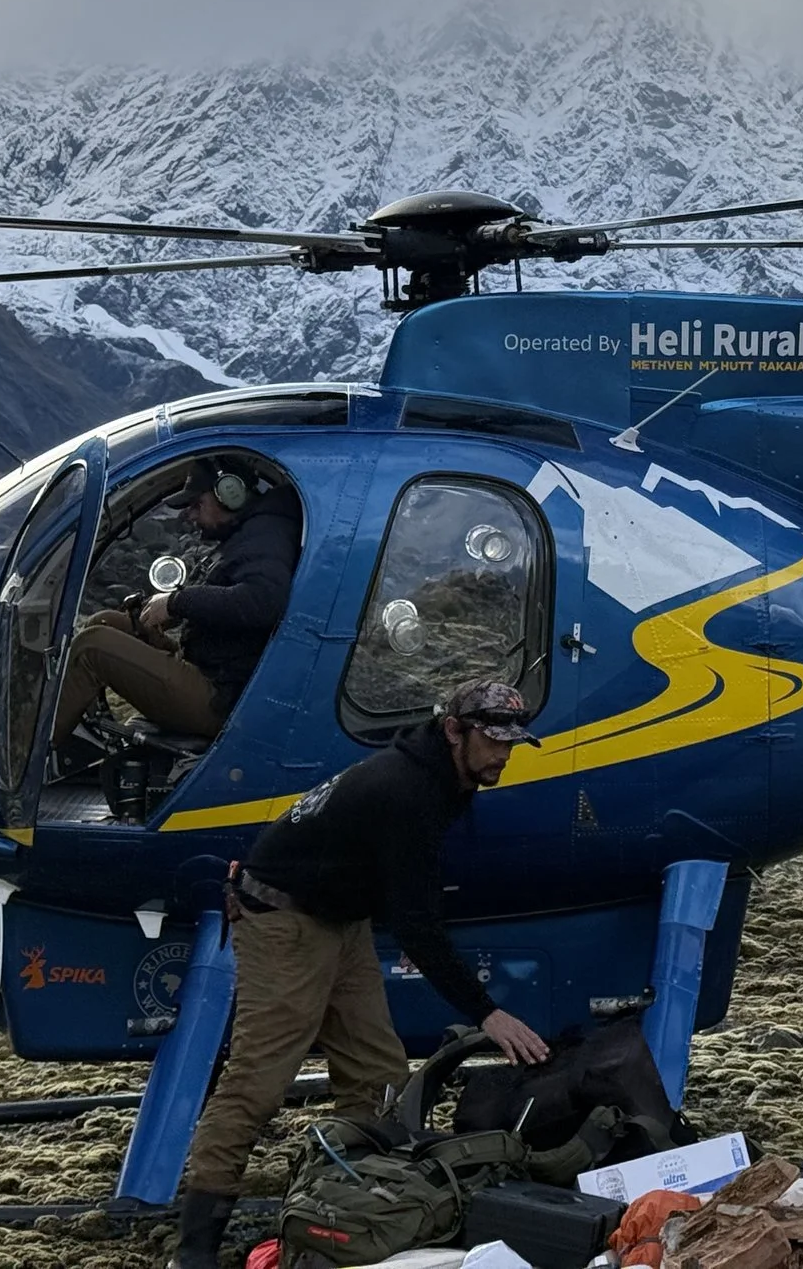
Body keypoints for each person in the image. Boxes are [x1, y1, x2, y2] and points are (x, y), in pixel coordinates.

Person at [170, 679, 557, 1269]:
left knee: (378, 1071)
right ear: (454, 730)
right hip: (280, 916)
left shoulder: (446, 775)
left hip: (340, 919)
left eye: (512, 742)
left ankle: (347, 1205)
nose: (503, 754)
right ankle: (194, 1247)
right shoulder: (406, 789)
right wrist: (486, 1012)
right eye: (492, 740)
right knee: (257, 1083)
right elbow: (416, 923)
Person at [54, 455, 301, 744]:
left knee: (90, 647)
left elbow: (264, 600)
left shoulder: (264, 536)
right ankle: (83, 740)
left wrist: (176, 603)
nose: (191, 516)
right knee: (105, 622)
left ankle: (33, 759)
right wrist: (173, 610)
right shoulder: (249, 532)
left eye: (198, 505)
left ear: (231, 495)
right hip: (212, 668)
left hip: (221, 699)